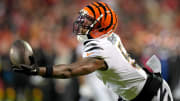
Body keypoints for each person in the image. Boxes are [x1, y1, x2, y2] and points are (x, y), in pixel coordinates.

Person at [12, 1, 173, 101]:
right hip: (135, 93)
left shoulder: (101, 48)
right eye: (83, 18)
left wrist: (38, 70)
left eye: (88, 21)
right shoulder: (109, 38)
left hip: (151, 95)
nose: (81, 22)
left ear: (100, 27)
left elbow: (71, 70)